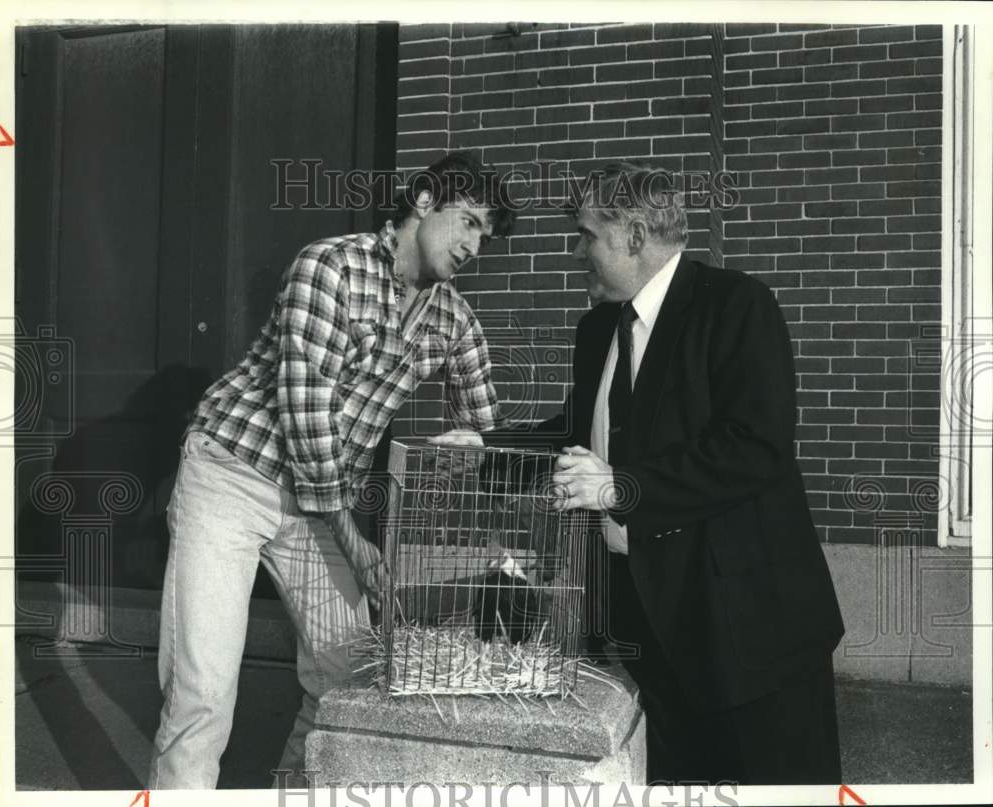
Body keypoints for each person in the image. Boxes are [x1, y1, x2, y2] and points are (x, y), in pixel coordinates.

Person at [447, 161, 845, 784]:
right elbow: (579, 432)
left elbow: (755, 447)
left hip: (746, 630)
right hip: (649, 625)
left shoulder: (737, 305)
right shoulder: (598, 328)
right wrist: (485, 446)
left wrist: (620, 487)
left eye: (585, 235)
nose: (576, 252)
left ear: (633, 236)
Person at [148, 151, 516, 789]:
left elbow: (489, 432)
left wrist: (504, 520)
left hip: (317, 506)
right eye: (469, 221)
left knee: (349, 680)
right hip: (232, 477)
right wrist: (355, 540)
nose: (473, 246)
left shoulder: (452, 319)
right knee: (201, 692)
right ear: (425, 202)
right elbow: (308, 412)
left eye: (484, 234)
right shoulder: (332, 266)